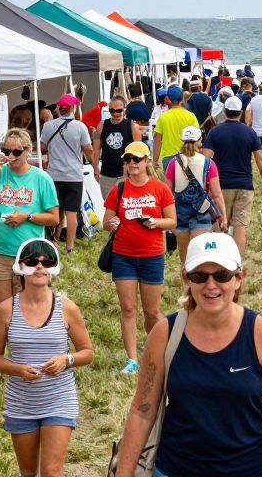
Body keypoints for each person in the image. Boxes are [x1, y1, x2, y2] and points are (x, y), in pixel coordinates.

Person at [115, 233, 262, 477]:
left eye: (221, 275)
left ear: (239, 278)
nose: (211, 285)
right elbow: (142, 412)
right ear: (187, 280)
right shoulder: (164, 335)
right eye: (199, 276)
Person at [0, 238, 94, 477]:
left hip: (59, 398)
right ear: (20, 268)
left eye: (47, 262)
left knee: (51, 471)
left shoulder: (67, 308)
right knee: (27, 472)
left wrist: (66, 360)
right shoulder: (5, 310)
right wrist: (17, 370)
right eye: (32, 261)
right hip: (21, 402)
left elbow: (87, 352)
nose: (39, 266)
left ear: (54, 269)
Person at [101, 141, 176, 374]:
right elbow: (106, 222)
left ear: (146, 162)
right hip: (123, 255)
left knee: (152, 312)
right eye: (127, 160)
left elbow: (172, 221)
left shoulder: (160, 188)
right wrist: (111, 224)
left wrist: (156, 222)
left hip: (152, 255)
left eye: (136, 159)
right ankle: (132, 359)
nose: (131, 164)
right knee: (128, 309)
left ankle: (157, 351)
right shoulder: (119, 189)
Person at [0, 128, 60, 305]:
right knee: (4, 310)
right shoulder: (1, 172)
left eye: (17, 152)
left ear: (28, 151)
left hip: (29, 254)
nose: (11, 156)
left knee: (26, 309)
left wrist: (27, 216)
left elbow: (54, 218)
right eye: (7, 151)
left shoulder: (41, 178)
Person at [202, 97, 262, 257]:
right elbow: (260, 160)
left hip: (221, 185)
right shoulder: (250, 132)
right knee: (240, 226)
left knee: (219, 222)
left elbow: (206, 158)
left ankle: (218, 258)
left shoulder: (215, 132)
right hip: (244, 185)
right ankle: (237, 262)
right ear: (241, 113)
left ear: (225, 111)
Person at [164, 126, 227, 275]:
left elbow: (167, 193)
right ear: (200, 140)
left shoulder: (173, 163)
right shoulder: (209, 163)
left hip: (180, 214)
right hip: (202, 212)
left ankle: (186, 291)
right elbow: (217, 194)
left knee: (185, 259)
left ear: (182, 140)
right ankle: (199, 290)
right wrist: (223, 216)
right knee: (200, 256)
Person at [40, 94, 97, 253]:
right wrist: (96, 168)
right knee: (72, 213)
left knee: (54, 211)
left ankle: (53, 241)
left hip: (53, 176)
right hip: (74, 175)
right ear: (72, 109)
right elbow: (88, 150)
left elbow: (43, 148)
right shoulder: (80, 127)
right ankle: (70, 247)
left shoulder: (48, 126)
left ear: (58, 108)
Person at [96, 95, 142, 196]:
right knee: (109, 205)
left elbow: (139, 152)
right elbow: (96, 148)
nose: (115, 113)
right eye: (112, 110)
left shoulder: (133, 126)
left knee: (124, 204)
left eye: (118, 110)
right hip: (107, 173)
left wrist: (138, 171)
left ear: (124, 109)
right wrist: (95, 167)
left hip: (126, 173)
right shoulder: (102, 125)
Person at [152, 86, 199, 173]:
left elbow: (157, 141)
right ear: (182, 99)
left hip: (169, 159)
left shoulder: (163, 118)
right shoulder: (191, 116)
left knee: (171, 185)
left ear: (168, 99)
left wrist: (155, 161)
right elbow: (197, 139)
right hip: (187, 156)